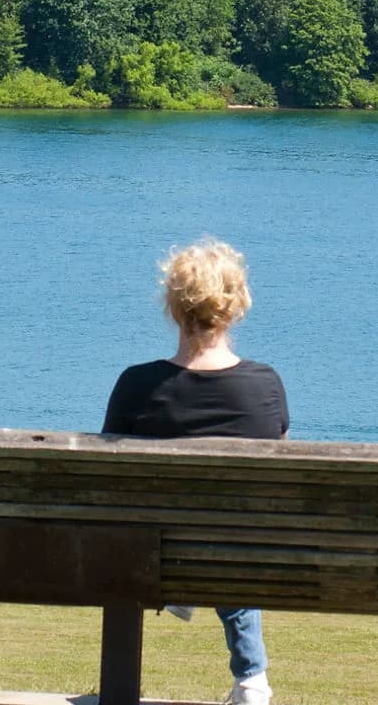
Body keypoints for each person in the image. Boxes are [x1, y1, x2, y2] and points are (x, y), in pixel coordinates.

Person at [102, 240, 287, 705]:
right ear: (236, 306)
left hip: (148, 558)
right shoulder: (264, 387)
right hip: (237, 557)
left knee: (178, 530)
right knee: (230, 530)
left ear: (172, 307)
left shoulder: (136, 385)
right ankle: (251, 679)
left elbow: (108, 483)